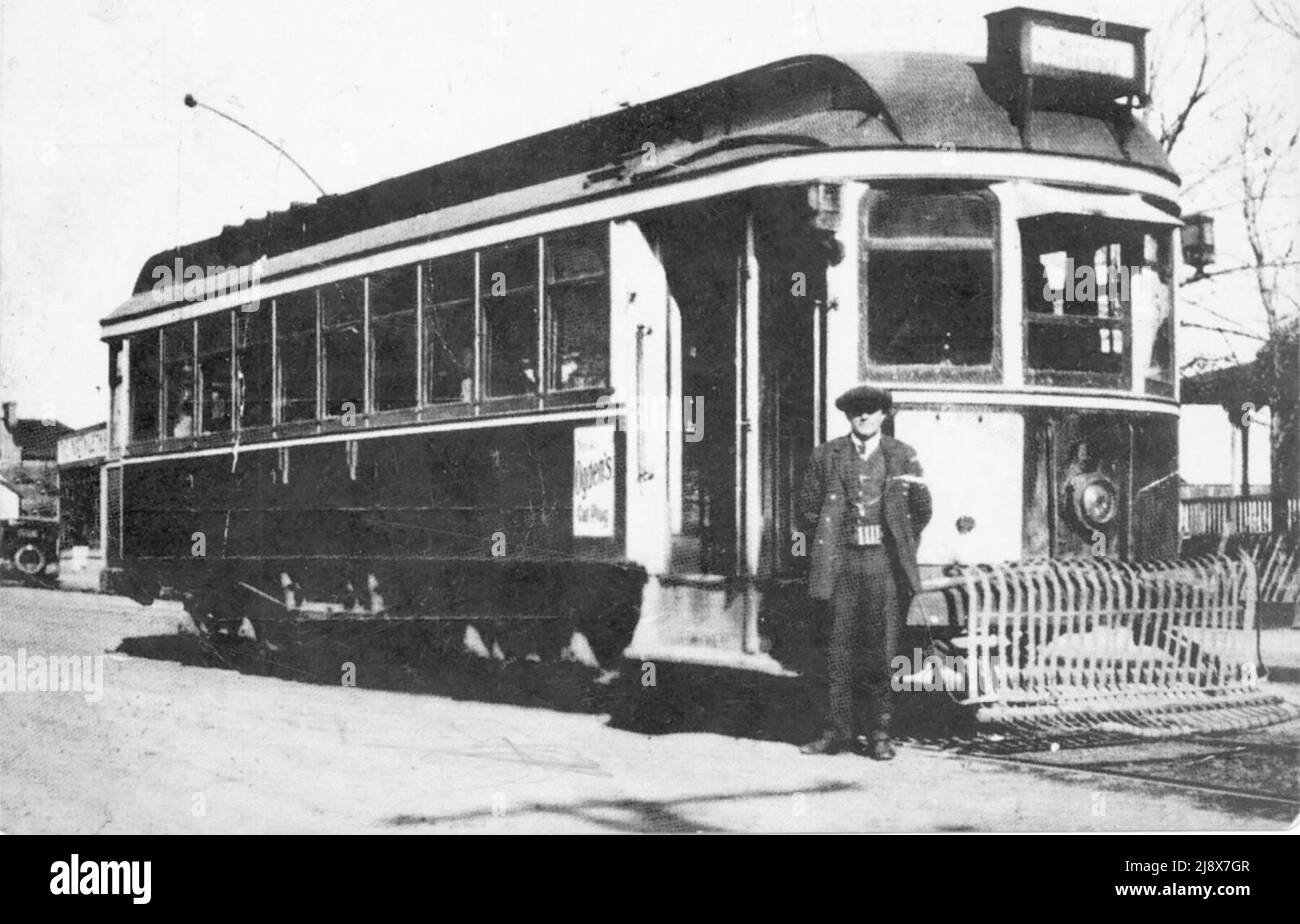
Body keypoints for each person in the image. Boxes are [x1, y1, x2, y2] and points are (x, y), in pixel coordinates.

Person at [797, 385, 931, 759]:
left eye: (871, 410)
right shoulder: (827, 456)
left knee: (881, 652)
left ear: (884, 415)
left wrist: (900, 542)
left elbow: (921, 508)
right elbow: (807, 510)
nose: (864, 416)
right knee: (837, 651)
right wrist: (831, 542)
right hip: (843, 566)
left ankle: (880, 734)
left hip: (883, 566)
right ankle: (837, 732)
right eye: (857, 411)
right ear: (848, 416)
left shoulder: (903, 456)